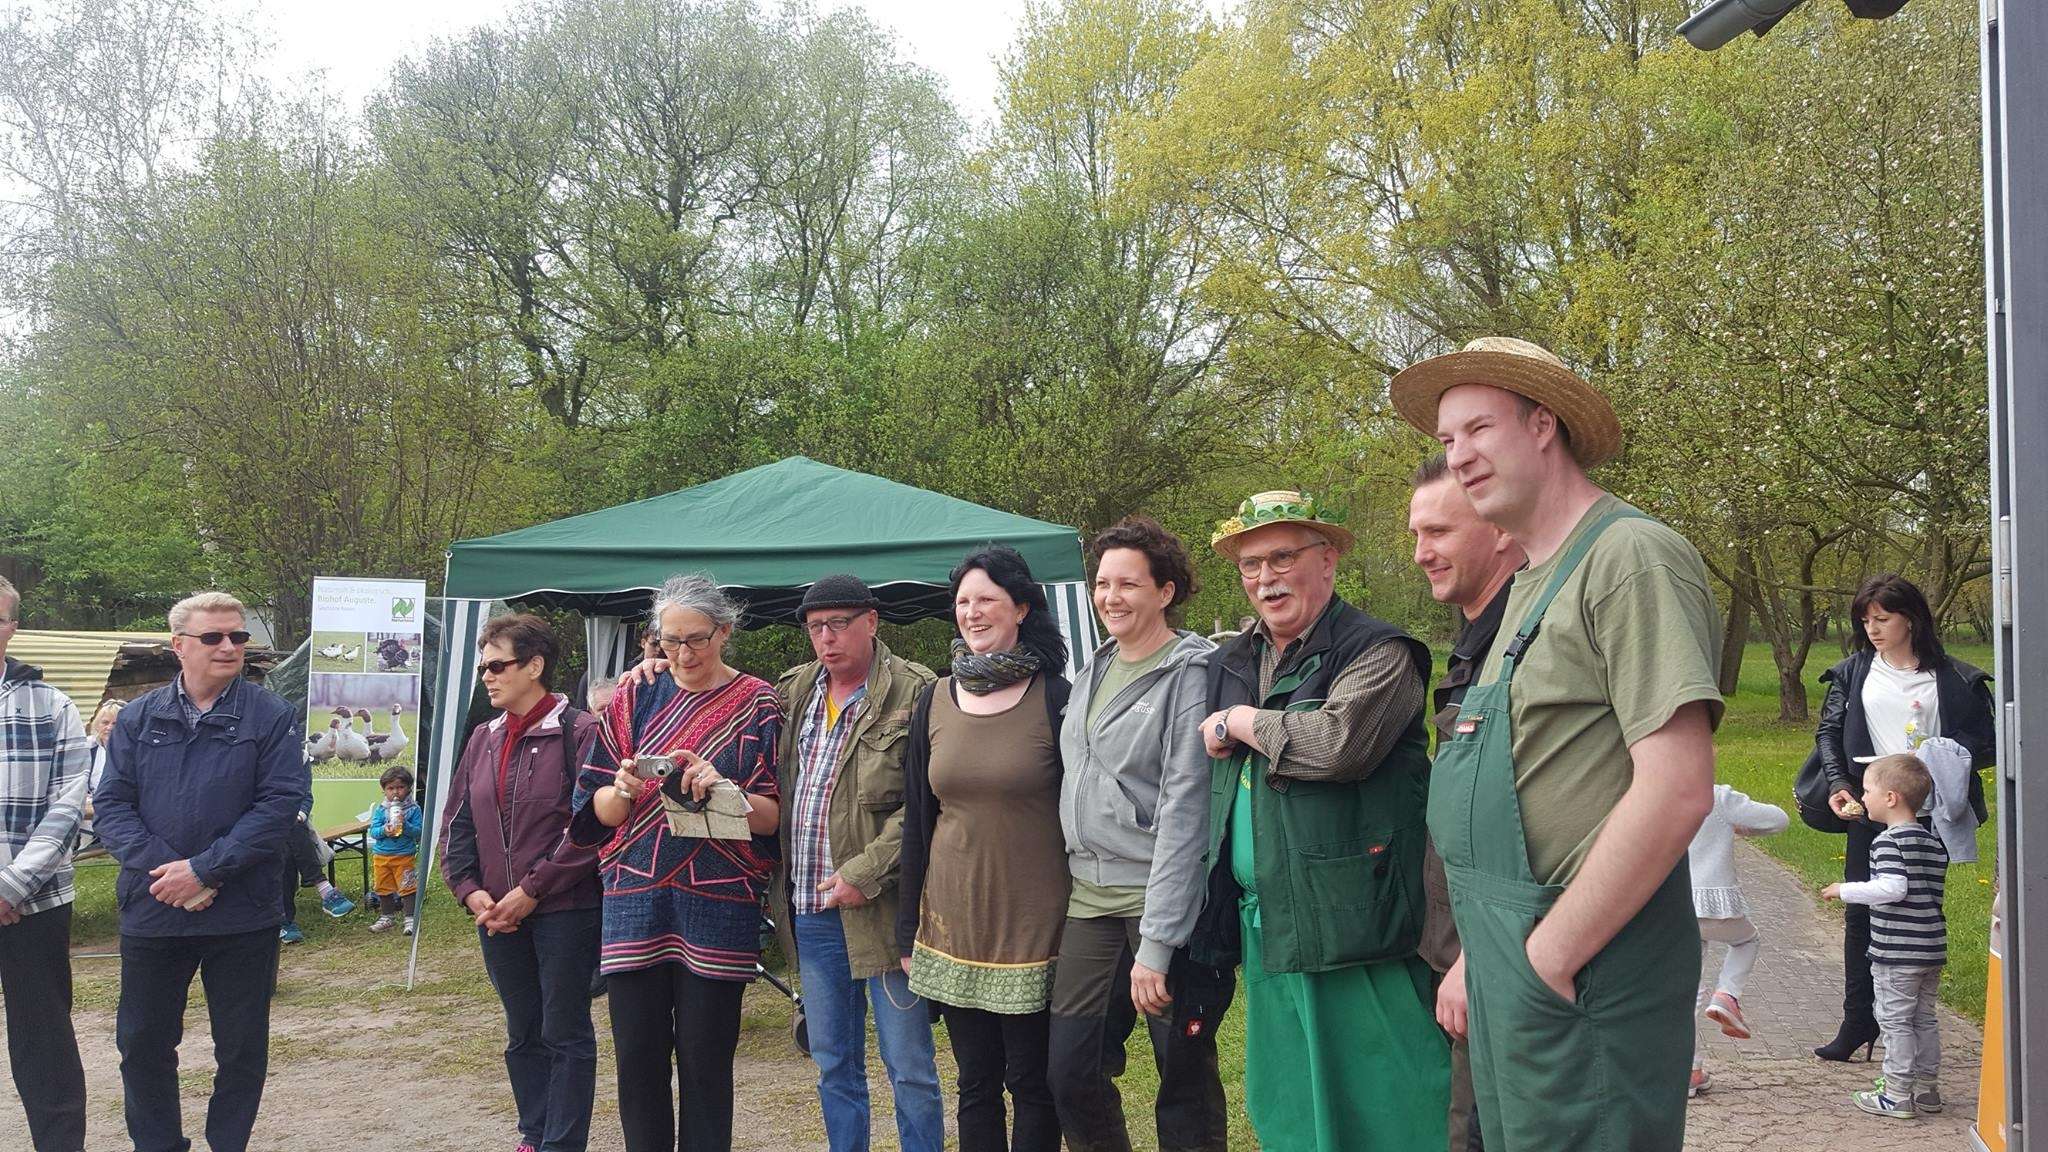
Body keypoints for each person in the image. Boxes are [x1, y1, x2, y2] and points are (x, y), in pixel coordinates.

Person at [1392, 336, 1722, 1151]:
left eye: (1478, 429)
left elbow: (1677, 787)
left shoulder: (1630, 558)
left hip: (1585, 976)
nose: (1459, 457)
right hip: (1512, 960)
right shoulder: (1536, 577)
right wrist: (1484, 956)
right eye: (1445, 440)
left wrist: (1547, 959)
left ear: (1543, 425)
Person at [1189, 489, 1450, 1152]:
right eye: (1250, 566)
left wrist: (1242, 721)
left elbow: (1339, 746)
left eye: (1282, 558)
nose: (1265, 579)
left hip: (1357, 921)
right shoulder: (1234, 660)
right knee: (1290, 1103)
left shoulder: (1378, 652)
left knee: (1391, 1102)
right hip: (1269, 922)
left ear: (1327, 561)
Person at [569, 574, 782, 1152]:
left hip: (718, 900)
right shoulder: (634, 695)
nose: (683, 654)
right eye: (669, 641)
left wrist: (724, 787)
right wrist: (621, 787)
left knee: (706, 1063)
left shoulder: (760, 702)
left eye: (697, 640)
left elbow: (774, 817)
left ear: (725, 632)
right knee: (637, 1062)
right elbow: (595, 812)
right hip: (634, 901)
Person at [94, 590, 310, 1152]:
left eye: (238, 636)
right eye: (214, 637)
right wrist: (169, 874)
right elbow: (112, 806)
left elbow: (279, 806)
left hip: (241, 912)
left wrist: (207, 871)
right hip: (154, 907)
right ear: (179, 646)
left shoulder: (272, 715)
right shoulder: (139, 719)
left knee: (240, 1048)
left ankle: (227, 1143)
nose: (229, 646)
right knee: (142, 1043)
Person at [1049, 517, 1230, 1152]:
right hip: (1088, 899)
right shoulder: (1092, 669)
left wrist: (1157, 944)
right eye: (1102, 583)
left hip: (1162, 899)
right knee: (1069, 1071)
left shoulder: (1192, 673)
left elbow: (1187, 807)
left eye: (1129, 583)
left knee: (1182, 1075)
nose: (1111, 597)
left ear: (1166, 591)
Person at [896, 546, 1071, 1152]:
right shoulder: (934, 699)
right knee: (974, 1082)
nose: (972, 612)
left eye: (987, 599)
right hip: (953, 925)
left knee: (1032, 1081)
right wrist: (905, 934)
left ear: (1021, 607)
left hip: (1035, 926)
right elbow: (918, 820)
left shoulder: (1058, 697)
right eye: (963, 601)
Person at [770, 574, 944, 1152]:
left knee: (909, 1064)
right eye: (816, 626)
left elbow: (927, 804)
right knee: (833, 1063)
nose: (826, 637)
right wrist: (650, 667)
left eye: (839, 623)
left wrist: (863, 874)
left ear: (872, 622)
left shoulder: (917, 691)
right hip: (812, 911)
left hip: (886, 912)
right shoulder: (794, 691)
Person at [1811, 573, 1992, 1062]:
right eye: (1865, 620)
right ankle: (1858, 1021)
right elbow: (1828, 733)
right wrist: (1840, 785)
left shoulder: (1952, 678)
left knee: (1918, 913)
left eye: (1883, 619)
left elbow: (1985, 740)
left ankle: (1913, 1024)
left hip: (1927, 813)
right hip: (1868, 808)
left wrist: (1945, 757)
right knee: (1860, 915)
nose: (1872, 628)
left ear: (1910, 618)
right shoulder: (1854, 672)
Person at [442, 612, 604, 1152]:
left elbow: (590, 829)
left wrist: (530, 890)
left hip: (565, 910)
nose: (487, 676)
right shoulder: (482, 738)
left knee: (564, 1032)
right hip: (496, 915)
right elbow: (457, 825)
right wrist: (470, 891)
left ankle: (562, 1143)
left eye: (497, 665)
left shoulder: (580, 732)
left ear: (535, 666)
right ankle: (533, 1135)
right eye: (482, 667)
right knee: (522, 1033)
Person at [1408, 452, 1526, 1152]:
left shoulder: (1525, 650)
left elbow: (1541, 823)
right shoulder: (1474, 643)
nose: (1423, 553)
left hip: (1497, 963)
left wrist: (1476, 960)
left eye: (1440, 532)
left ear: (1503, 531)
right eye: (1417, 534)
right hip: (1456, 950)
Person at [0, 575, 91, 1151]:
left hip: (34, 901)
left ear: (13, 627)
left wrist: (10, 885)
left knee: (45, 1043)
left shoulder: (51, 704)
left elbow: (71, 801)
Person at [1822, 754, 1949, 1118]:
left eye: (1867, 790)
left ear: (1891, 798)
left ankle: (1895, 1092)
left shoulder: (1887, 843)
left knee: (1894, 1022)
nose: (1863, 798)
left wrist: (1845, 890)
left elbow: (1893, 887)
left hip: (1897, 950)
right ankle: (1927, 1090)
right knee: (1924, 1019)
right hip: (1930, 947)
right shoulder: (1931, 842)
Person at [1686, 783, 1788, 1097]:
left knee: (1687, 991)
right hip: (1716, 907)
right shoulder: (1717, 796)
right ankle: (1727, 995)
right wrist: (1741, 826)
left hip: (1674, 908)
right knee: (1747, 941)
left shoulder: (1652, 791)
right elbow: (1778, 819)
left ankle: (1689, 1070)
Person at [276, 791, 357, 945]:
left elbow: (305, 795)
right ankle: (324, 889)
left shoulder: (299, 766)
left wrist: (300, 814)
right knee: (290, 833)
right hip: (255, 822)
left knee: (291, 835)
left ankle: (285, 922)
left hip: (286, 825)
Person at [366, 765, 424, 934]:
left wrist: (404, 825)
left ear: (408, 788)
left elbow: (418, 831)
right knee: (383, 887)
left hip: (404, 856)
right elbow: (374, 831)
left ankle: (410, 919)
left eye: (400, 787)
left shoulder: (413, 809)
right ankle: (386, 917)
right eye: (391, 788)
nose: (396, 792)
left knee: (407, 888)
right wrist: (385, 830)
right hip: (382, 856)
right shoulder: (382, 809)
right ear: (384, 790)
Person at [76, 697, 123, 851]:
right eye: (105, 723)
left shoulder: (131, 749)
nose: (109, 727)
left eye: (115, 724)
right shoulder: (88, 747)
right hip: (91, 800)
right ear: (97, 724)